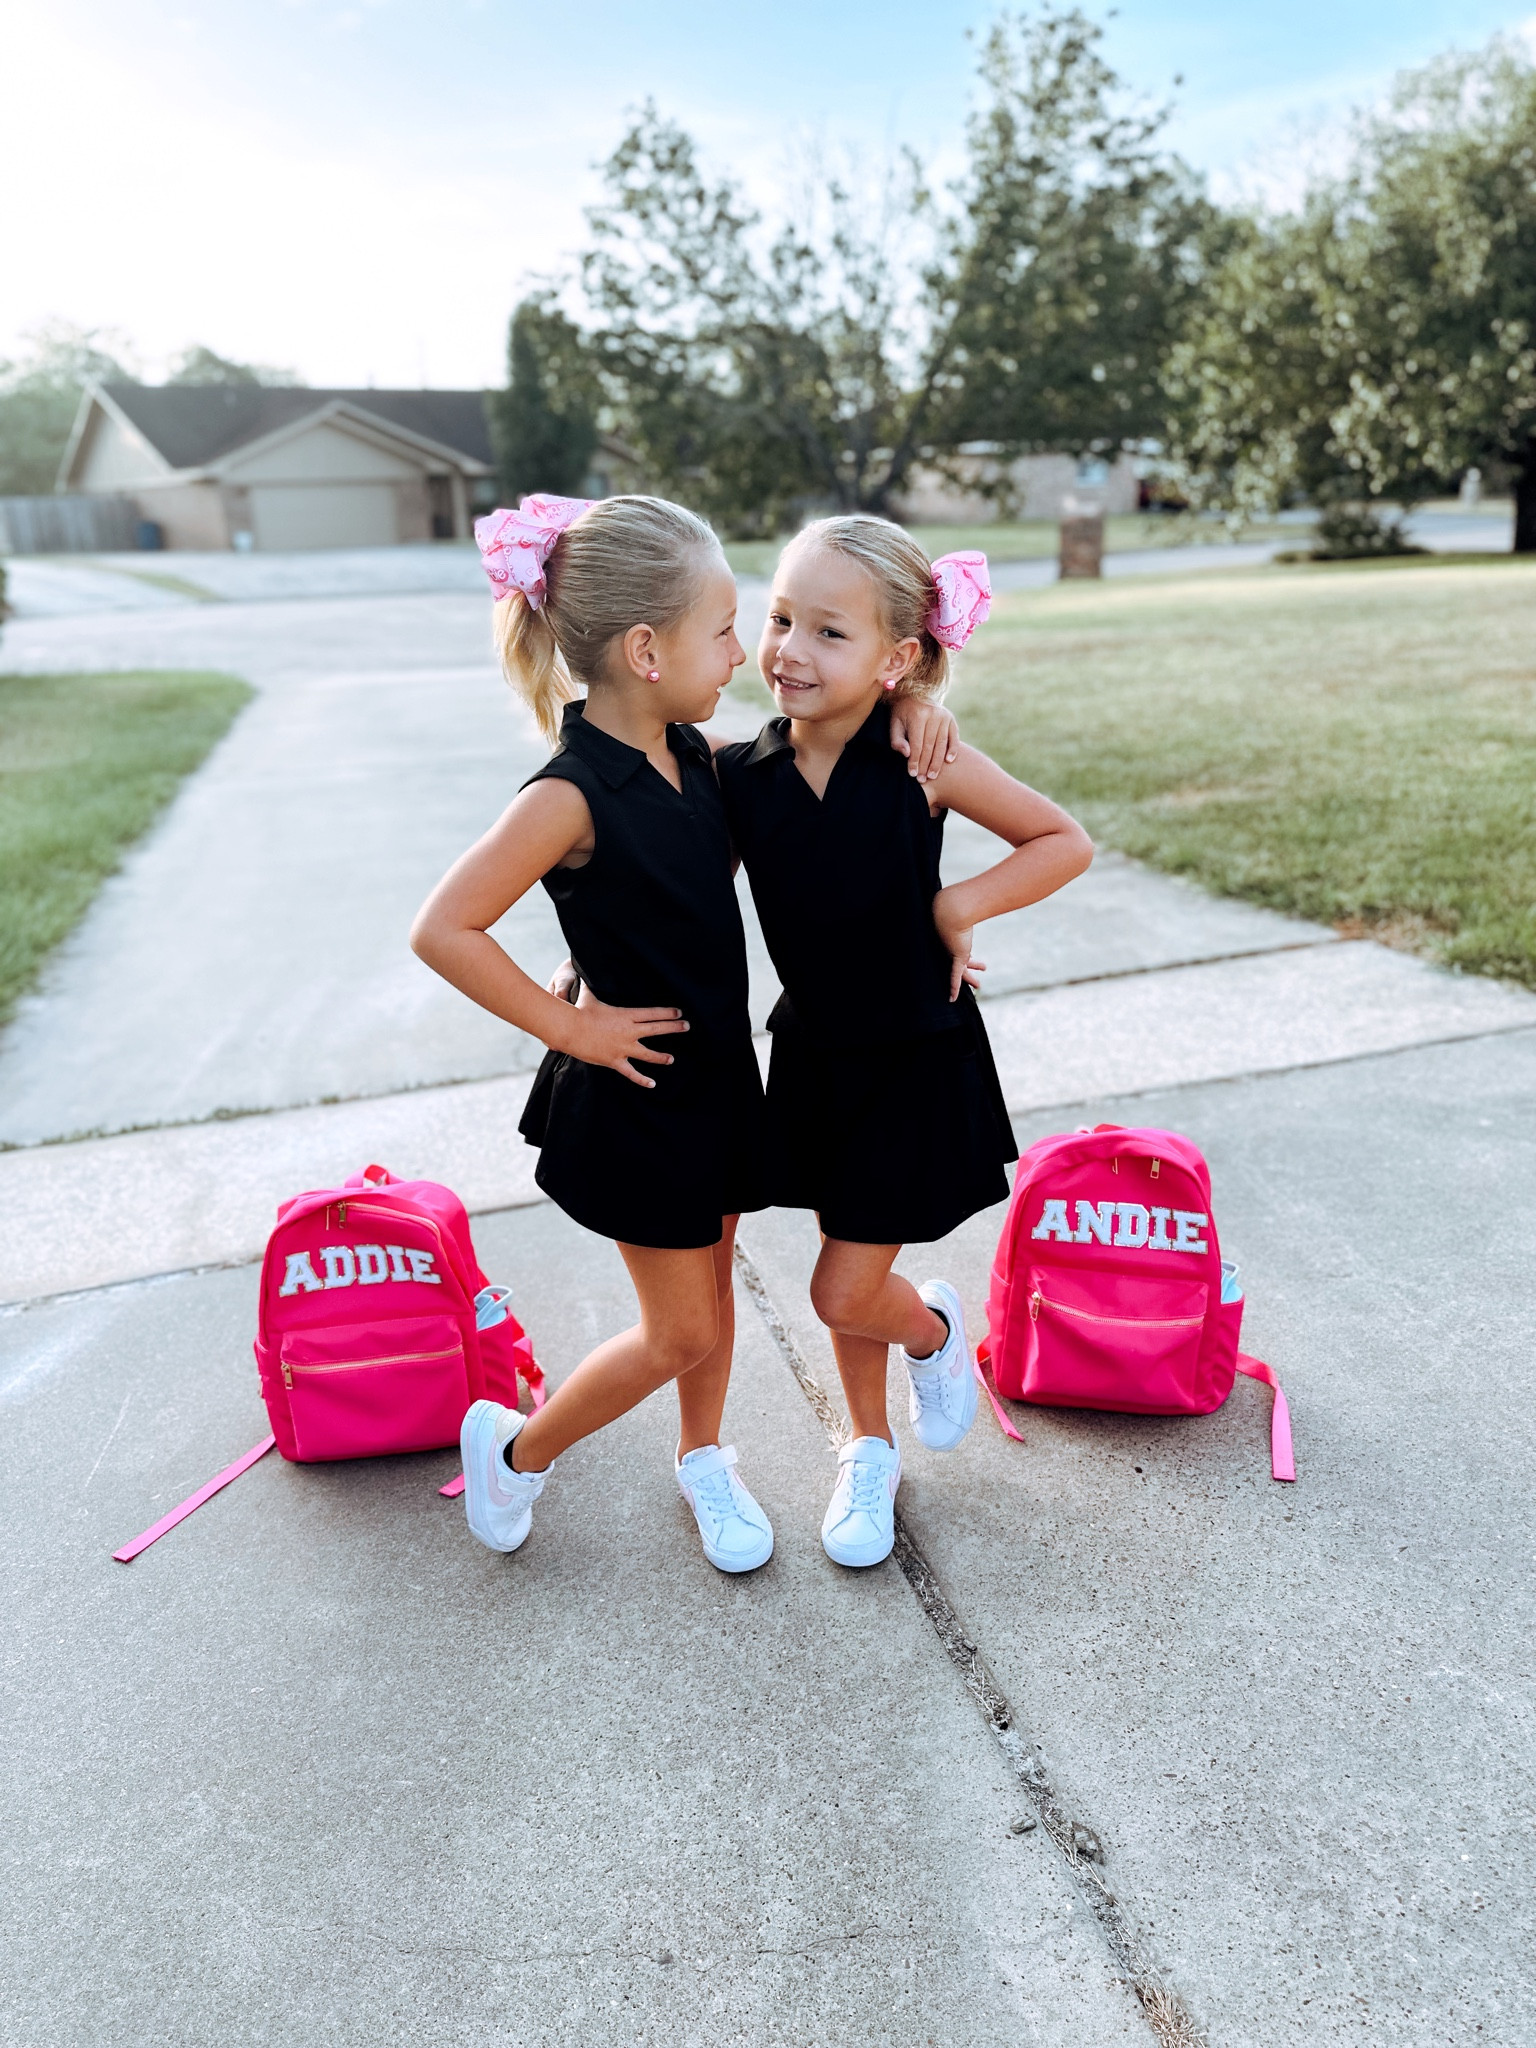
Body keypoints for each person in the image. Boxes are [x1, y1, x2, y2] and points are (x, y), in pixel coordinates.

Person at [410, 493, 955, 1574]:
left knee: (711, 1291)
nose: (744, 656)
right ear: (647, 650)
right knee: (682, 1331)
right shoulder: (566, 795)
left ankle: (702, 1457)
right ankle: (514, 1450)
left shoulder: (692, 756)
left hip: (713, 1083)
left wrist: (913, 712)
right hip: (635, 1095)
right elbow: (444, 927)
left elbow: (771, 823)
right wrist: (572, 1022)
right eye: (725, 630)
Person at [716, 516, 1094, 1569]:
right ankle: (868, 1449)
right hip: (817, 1057)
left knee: (843, 1285)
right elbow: (663, 883)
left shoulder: (918, 752)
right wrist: (591, 966)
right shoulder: (740, 777)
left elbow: (1061, 838)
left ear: (897, 659)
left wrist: (955, 905)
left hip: (916, 1055)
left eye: (828, 632)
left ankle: (928, 1331)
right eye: (781, 617)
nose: (788, 647)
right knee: (844, 1256)